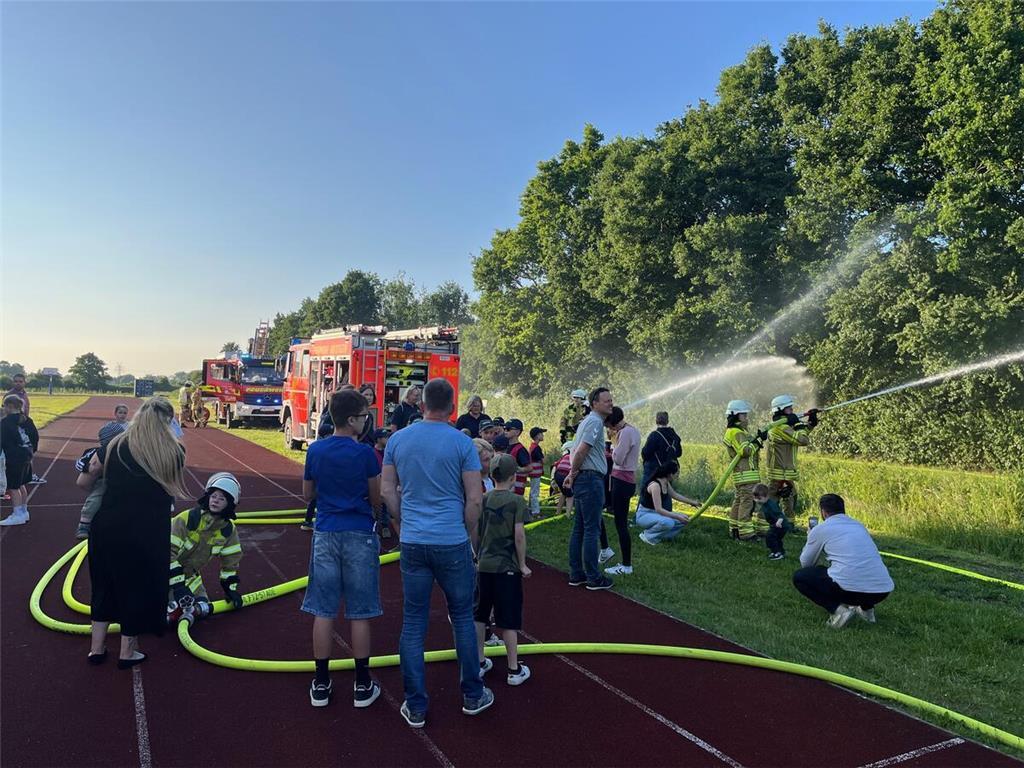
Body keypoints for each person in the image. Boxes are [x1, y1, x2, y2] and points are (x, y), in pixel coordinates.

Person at [381, 377, 490, 728]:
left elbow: (386, 490)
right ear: (452, 407)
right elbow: (475, 498)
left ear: (422, 402)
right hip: (452, 542)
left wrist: (403, 518)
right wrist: (466, 532)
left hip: (414, 542)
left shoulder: (398, 439)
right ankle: (473, 694)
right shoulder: (462, 444)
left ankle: (416, 705)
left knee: (414, 622)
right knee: (462, 618)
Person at [81, 397, 186, 667]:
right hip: (146, 530)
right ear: (167, 421)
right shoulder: (173, 451)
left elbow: (86, 479)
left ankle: (97, 648)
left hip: (107, 525)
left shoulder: (113, 446)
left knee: (103, 584)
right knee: (136, 587)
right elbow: (170, 487)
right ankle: (128, 651)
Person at [302, 388, 383, 708]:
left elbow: (309, 494)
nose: (366, 422)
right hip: (359, 533)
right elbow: (375, 497)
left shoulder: (316, 451)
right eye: (364, 416)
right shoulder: (364, 453)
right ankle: (362, 683)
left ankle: (321, 681)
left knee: (323, 609)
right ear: (352, 420)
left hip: (326, 532)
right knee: (360, 611)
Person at [793, 494, 894, 628]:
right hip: (882, 591)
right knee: (863, 568)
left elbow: (806, 563)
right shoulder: (859, 526)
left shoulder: (821, 529)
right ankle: (867, 612)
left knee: (800, 577)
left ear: (823, 512)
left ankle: (838, 611)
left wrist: (810, 537)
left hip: (850, 590)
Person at [475, 454, 532, 686]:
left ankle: (478, 662)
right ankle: (513, 668)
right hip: (506, 567)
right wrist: (522, 564)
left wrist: (478, 556)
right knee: (508, 619)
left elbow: (475, 531)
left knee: (480, 615)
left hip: (484, 566)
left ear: (491, 475)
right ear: (513, 476)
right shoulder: (517, 501)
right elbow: (519, 535)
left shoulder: (483, 499)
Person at [167, 473, 245, 624]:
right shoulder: (188, 519)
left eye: (222, 498)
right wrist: (178, 586)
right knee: (165, 606)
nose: (215, 500)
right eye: (214, 496)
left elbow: (231, 562)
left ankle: (185, 609)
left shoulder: (228, 531)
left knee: (202, 604)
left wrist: (230, 589)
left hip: (189, 576)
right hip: (160, 571)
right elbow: (165, 553)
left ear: (229, 504)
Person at [562, 387, 615, 591]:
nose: (610, 403)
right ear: (594, 404)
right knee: (591, 529)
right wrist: (573, 472)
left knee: (580, 528)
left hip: (584, 478)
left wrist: (572, 474)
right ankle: (593, 577)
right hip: (591, 479)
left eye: (611, 400)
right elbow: (583, 450)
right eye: (606, 400)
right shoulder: (594, 422)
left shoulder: (586, 421)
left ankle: (576, 574)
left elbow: (577, 449)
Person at [74, 412, 131, 539]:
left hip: (119, 481)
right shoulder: (95, 452)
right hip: (102, 480)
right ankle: (84, 523)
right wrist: (88, 467)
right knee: (96, 495)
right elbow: (80, 463)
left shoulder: (127, 450)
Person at [766, 395, 819, 519]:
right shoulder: (780, 427)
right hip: (779, 472)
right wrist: (798, 424)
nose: (792, 411)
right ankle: (763, 525)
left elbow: (798, 436)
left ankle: (789, 523)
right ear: (780, 410)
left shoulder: (786, 427)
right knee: (773, 499)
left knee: (790, 497)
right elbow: (802, 440)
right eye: (789, 408)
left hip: (786, 471)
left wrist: (811, 424)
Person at [602, 407, 640, 576]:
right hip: (627, 479)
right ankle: (625, 563)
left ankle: (626, 565)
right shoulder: (633, 430)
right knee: (620, 522)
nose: (609, 429)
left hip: (622, 479)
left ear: (612, 422)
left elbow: (618, 458)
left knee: (621, 523)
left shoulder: (624, 434)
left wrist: (612, 448)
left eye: (608, 425)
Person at [723, 400, 766, 541]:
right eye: (744, 415)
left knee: (739, 502)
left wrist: (757, 439)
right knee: (747, 503)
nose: (746, 418)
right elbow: (745, 451)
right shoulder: (736, 432)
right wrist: (758, 443)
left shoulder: (736, 431)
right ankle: (746, 534)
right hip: (746, 475)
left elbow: (746, 446)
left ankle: (735, 530)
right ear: (736, 415)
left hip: (742, 475)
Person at [635, 461, 700, 546]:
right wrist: (677, 516)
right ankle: (647, 536)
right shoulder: (655, 486)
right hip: (644, 514)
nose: (677, 475)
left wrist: (692, 502)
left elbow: (675, 495)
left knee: (684, 520)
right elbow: (659, 509)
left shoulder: (665, 482)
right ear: (670, 474)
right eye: (676, 473)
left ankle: (660, 537)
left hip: (655, 514)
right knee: (668, 522)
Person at [0, 394, 37, 526]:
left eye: (3, 406)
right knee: (21, 484)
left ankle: (17, 514)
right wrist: (32, 450)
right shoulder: (27, 419)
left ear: (9, 407)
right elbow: (35, 436)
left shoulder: (5, 422)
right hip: (27, 454)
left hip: (14, 457)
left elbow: (2, 440)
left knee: (13, 487)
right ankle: (23, 511)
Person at [5, 375, 43, 485]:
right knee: (17, 452)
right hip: (15, 427)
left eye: (20, 381)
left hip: (25, 424)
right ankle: (17, 478)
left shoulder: (24, 394)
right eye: (16, 381)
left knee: (28, 450)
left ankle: (27, 475)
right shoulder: (10, 395)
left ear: (24, 382)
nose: (18, 383)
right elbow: (5, 412)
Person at [640, 411, 682, 487]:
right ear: (668, 421)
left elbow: (645, 454)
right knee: (666, 493)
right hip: (668, 471)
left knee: (646, 494)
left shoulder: (655, 435)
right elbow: (679, 453)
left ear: (656, 421)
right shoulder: (675, 436)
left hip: (654, 471)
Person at [753, 483, 793, 560]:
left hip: (781, 525)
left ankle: (777, 552)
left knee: (770, 537)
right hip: (775, 524)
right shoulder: (764, 503)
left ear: (766, 496)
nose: (757, 500)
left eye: (759, 498)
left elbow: (780, 514)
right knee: (776, 538)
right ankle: (780, 552)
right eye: (755, 498)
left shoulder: (771, 505)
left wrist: (779, 522)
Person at [504, 419, 531, 498]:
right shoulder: (507, 447)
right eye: (505, 428)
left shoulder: (520, 450)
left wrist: (516, 469)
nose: (505, 431)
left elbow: (529, 468)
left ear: (517, 432)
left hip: (516, 487)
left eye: (508, 429)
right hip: (508, 485)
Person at [526, 427, 546, 518]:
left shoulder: (533, 446)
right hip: (535, 472)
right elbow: (543, 460)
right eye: (541, 434)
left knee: (532, 491)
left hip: (533, 472)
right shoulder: (536, 448)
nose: (543, 435)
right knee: (535, 493)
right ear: (537, 436)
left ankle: (530, 508)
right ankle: (535, 512)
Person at [551, 442, 574, 516]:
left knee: (563, 493)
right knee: (570, 495)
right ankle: (568, 514)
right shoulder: (574, 456)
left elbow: (556, 465)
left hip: (557, 474)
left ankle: (558, 512)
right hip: (564, 474)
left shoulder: (564, 456)